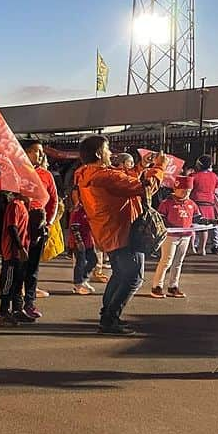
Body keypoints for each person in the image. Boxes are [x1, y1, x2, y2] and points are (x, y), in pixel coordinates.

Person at [73, 135, 165, 335]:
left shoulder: (86, 173)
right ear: (98, 153)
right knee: (134, 277)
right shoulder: (104, 176)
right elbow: (145, 188)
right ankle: (109, 319)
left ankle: (108, 314)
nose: (110, 153)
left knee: (119, 274)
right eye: (107, 149)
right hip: (123, 231)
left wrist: (141, 166)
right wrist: (159, 168)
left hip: (108, 231)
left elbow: (124, 180)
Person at [0, 141, 58, 317]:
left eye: (41, 151)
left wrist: (48, 223)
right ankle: (8, 307)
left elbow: (53, 201)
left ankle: (28, 303)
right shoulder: (11, 173)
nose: (40, 155)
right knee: (14, 268)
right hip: (17, 228)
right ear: (25, 153)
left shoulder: (46, 175)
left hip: (37, 226)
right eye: (36, 151)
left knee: (32, 269)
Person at [151, 175, 200, 299]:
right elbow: (160, 219)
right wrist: (168, 226)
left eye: (188, 191)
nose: (185, 193)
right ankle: (157, 286)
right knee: (166, 261)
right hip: (170, 236)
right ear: (176, 188)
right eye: (183, 190)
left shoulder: (191, 204)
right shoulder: (167, 203)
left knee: (178, 262)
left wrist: (214, 222)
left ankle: (173, 286)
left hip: (186, 236)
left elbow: (198, 219)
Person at [0, 192, 32, 326]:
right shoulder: (15, 205)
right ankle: (3, 313)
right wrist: (20, 247)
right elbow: (12, 227)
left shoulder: (22, 205)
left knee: (18, 283)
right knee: (8, 283)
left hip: (20, 252)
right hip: (12, 253)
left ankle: (17, 309)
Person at [68, 188, 98, 295]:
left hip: (88, 240)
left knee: (93, 260)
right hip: (79, 242)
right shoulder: (78, 210)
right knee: (80, 262)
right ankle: (78, 283)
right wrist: (78, 242)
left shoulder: (89, 209)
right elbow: (74, 227)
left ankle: (83, 278)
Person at [189, 155, 218, 254]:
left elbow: (188, 188)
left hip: (195, 203)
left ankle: (192, 248)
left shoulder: (193, 176)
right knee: (205, 226)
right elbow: (217, 189)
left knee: (192, 226)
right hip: (209, 204)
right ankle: (202, 249)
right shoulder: (214, 176)